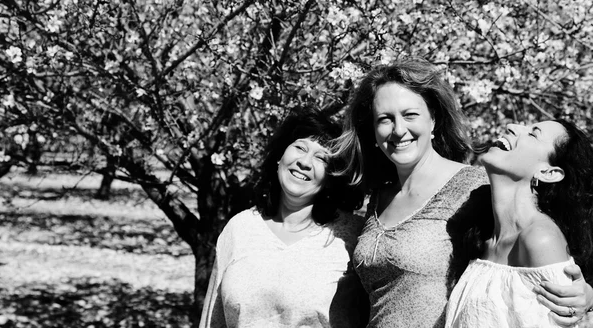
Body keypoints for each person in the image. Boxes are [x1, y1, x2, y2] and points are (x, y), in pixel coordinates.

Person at [334, 57, 593, 328]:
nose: (399, 130)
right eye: (385, 119)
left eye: (410, 115)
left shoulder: (475, 188)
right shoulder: (377, 197)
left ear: (433, 119)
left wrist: (587, 294)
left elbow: (557, 233)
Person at [199, 105, 367, 328]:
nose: (305, 162)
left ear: (331, 178)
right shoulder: (240, 228)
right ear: (280, 156)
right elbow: (213, 319)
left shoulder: (352, 237)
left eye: (321, 158)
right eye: (300, 148)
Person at [445, 120, 593, 327]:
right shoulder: (483, 239)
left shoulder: (540, 239)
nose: (512, 127)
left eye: (533, 134)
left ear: (548, 173)